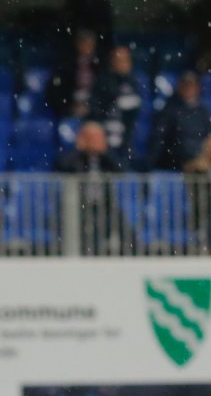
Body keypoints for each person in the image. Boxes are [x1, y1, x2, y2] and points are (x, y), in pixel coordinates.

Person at [54, 121, 124, 254]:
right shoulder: (76, 156)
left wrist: (104, 151)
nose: (94, 141)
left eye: (97, 137)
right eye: (91, 137)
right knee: (85, 227)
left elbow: (121, 169)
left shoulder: (106, 157)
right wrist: (79, 148)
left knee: (122, 225)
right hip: (79, 205)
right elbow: (61, 166)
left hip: (104, 205)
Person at [90, 45, 144, 167]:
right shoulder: (102, 82)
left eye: (125, 60)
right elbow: (96, 110)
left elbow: (135, 114)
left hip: (126, 139)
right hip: (106, 136)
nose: (122, 64)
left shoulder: (135, 83)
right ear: (112, 62)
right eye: (118, 60)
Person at [151, 73, 211, 171]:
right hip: (179, 160)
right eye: (185, 85)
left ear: (197, 88)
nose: (188, 89)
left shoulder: (203, 111)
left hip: (201, 156)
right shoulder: (170, 109)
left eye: (191, 86)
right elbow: (161, 138)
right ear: (179, 87)